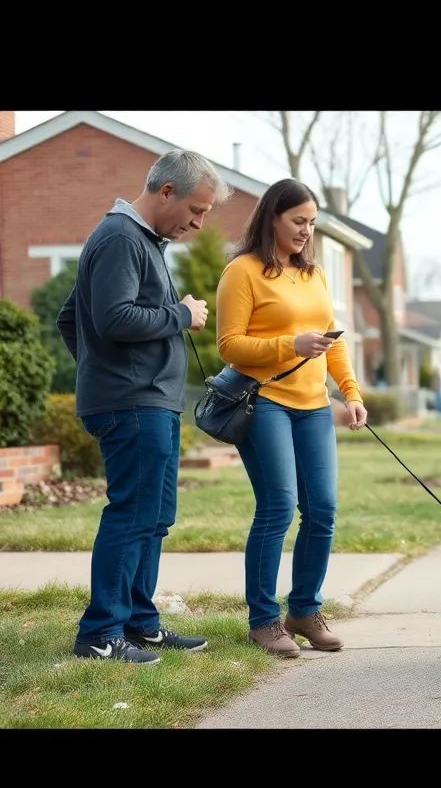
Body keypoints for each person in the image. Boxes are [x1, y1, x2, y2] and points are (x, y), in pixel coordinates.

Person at [56, 150, 232, 664]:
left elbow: (70, 318)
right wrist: (180, 314)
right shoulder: (121, 238)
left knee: (154, 517)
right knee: (133, 513)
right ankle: (99, 634)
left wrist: (100, 369)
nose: (198, 224)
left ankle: (138, 624)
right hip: (133, 403)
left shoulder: (140, 241)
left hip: (148, 401)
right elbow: (114, 318)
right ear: (167, 191)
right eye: (196, 210)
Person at [215, 178, 368, 658]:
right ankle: (263, 621)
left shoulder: (314, 275)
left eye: (312, 223)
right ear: (273, 218)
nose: (306, 231)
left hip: (314, 406)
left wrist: (350, 392)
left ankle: (303, 610)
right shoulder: (242, 271)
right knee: (278, 507)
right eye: (298, 221)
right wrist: (291, 345)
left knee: (322, 509)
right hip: (264, 402)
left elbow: (332, 340)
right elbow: (229, 346)